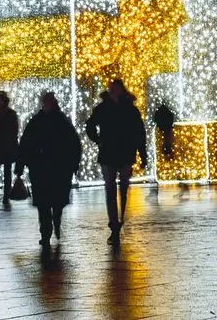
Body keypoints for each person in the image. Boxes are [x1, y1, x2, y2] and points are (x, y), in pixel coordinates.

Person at [16, 91, 82, 251]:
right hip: (53, 167)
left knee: (45, 202)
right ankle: (48, 230)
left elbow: (25, 143)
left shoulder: (38, 121)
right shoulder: (60, 121)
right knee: (47, 202)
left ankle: (49, 229)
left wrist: (21, 164)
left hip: (46, 166)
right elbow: (74, 144)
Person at [84, 78, 147, 243]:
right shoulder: (112, 109)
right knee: (113, 189)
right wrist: (98, 140)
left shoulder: (121, 109)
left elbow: (140, 132)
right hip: (115, 153)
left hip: (118, 152)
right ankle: (115, 224)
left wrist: (142, 152)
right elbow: (90, 125)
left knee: (119, 189)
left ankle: (118, 221)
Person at [0, 91, 21, 202]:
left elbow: (14, 131)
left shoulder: (9, 114)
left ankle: (6, 194)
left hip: (6, 146)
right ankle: (6, 193)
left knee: (7, 170)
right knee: (4, 170)